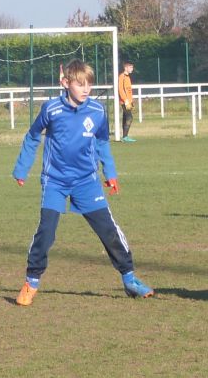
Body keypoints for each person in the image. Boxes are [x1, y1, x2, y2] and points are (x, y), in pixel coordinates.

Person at [11, 59, 154, 307]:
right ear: (65, 83)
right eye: (80, 84)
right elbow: (33, 136)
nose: (86, 89)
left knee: (108, 230)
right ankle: (31, 282)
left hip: (86, 182)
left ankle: (129, 278)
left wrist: (110, 172)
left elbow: (102, 143)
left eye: (89, 84)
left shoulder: (97, 111)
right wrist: (22, 168)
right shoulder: (51, 109)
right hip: (55, 182)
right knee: (46, 232)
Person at [117, 61, 137, 143]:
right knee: (129, 117)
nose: (132, 69)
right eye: (130, 67)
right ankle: (125, 137)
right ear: (126, 68)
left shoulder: (128, 77)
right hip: (124, 101)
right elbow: (121, 89)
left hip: (128, 101)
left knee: (125, 117)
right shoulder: (122, 76)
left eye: (132, 67)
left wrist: (131, 101)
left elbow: (128, 90)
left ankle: (125, 136)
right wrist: (125, 100)